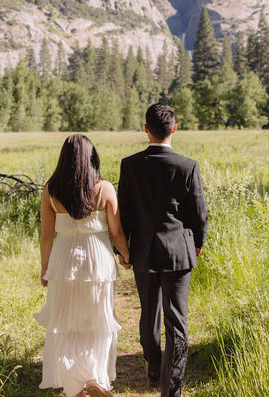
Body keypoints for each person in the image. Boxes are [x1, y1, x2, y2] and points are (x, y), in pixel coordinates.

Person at [117, 103, 207, 397]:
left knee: (148, 313)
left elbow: (125, 212)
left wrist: (124, 250)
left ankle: (154, 366)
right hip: (178, 251)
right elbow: (198, 213)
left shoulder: (129, 165)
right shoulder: (187, 165)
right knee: (176, 322)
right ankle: (172, 390)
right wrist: (197, 244)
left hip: (142, 249)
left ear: (146, 130)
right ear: (174, 130)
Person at [35, 134, 131, 397]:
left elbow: (46, 236)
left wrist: (45, 270)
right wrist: (125, 254)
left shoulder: (51, 190)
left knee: (66, 322)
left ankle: (75, 385)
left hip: (64, 260)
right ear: (92, 158)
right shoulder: (104, 189)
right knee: (98, 320)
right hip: (97, 260)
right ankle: (95, 380)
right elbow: (116, 231)